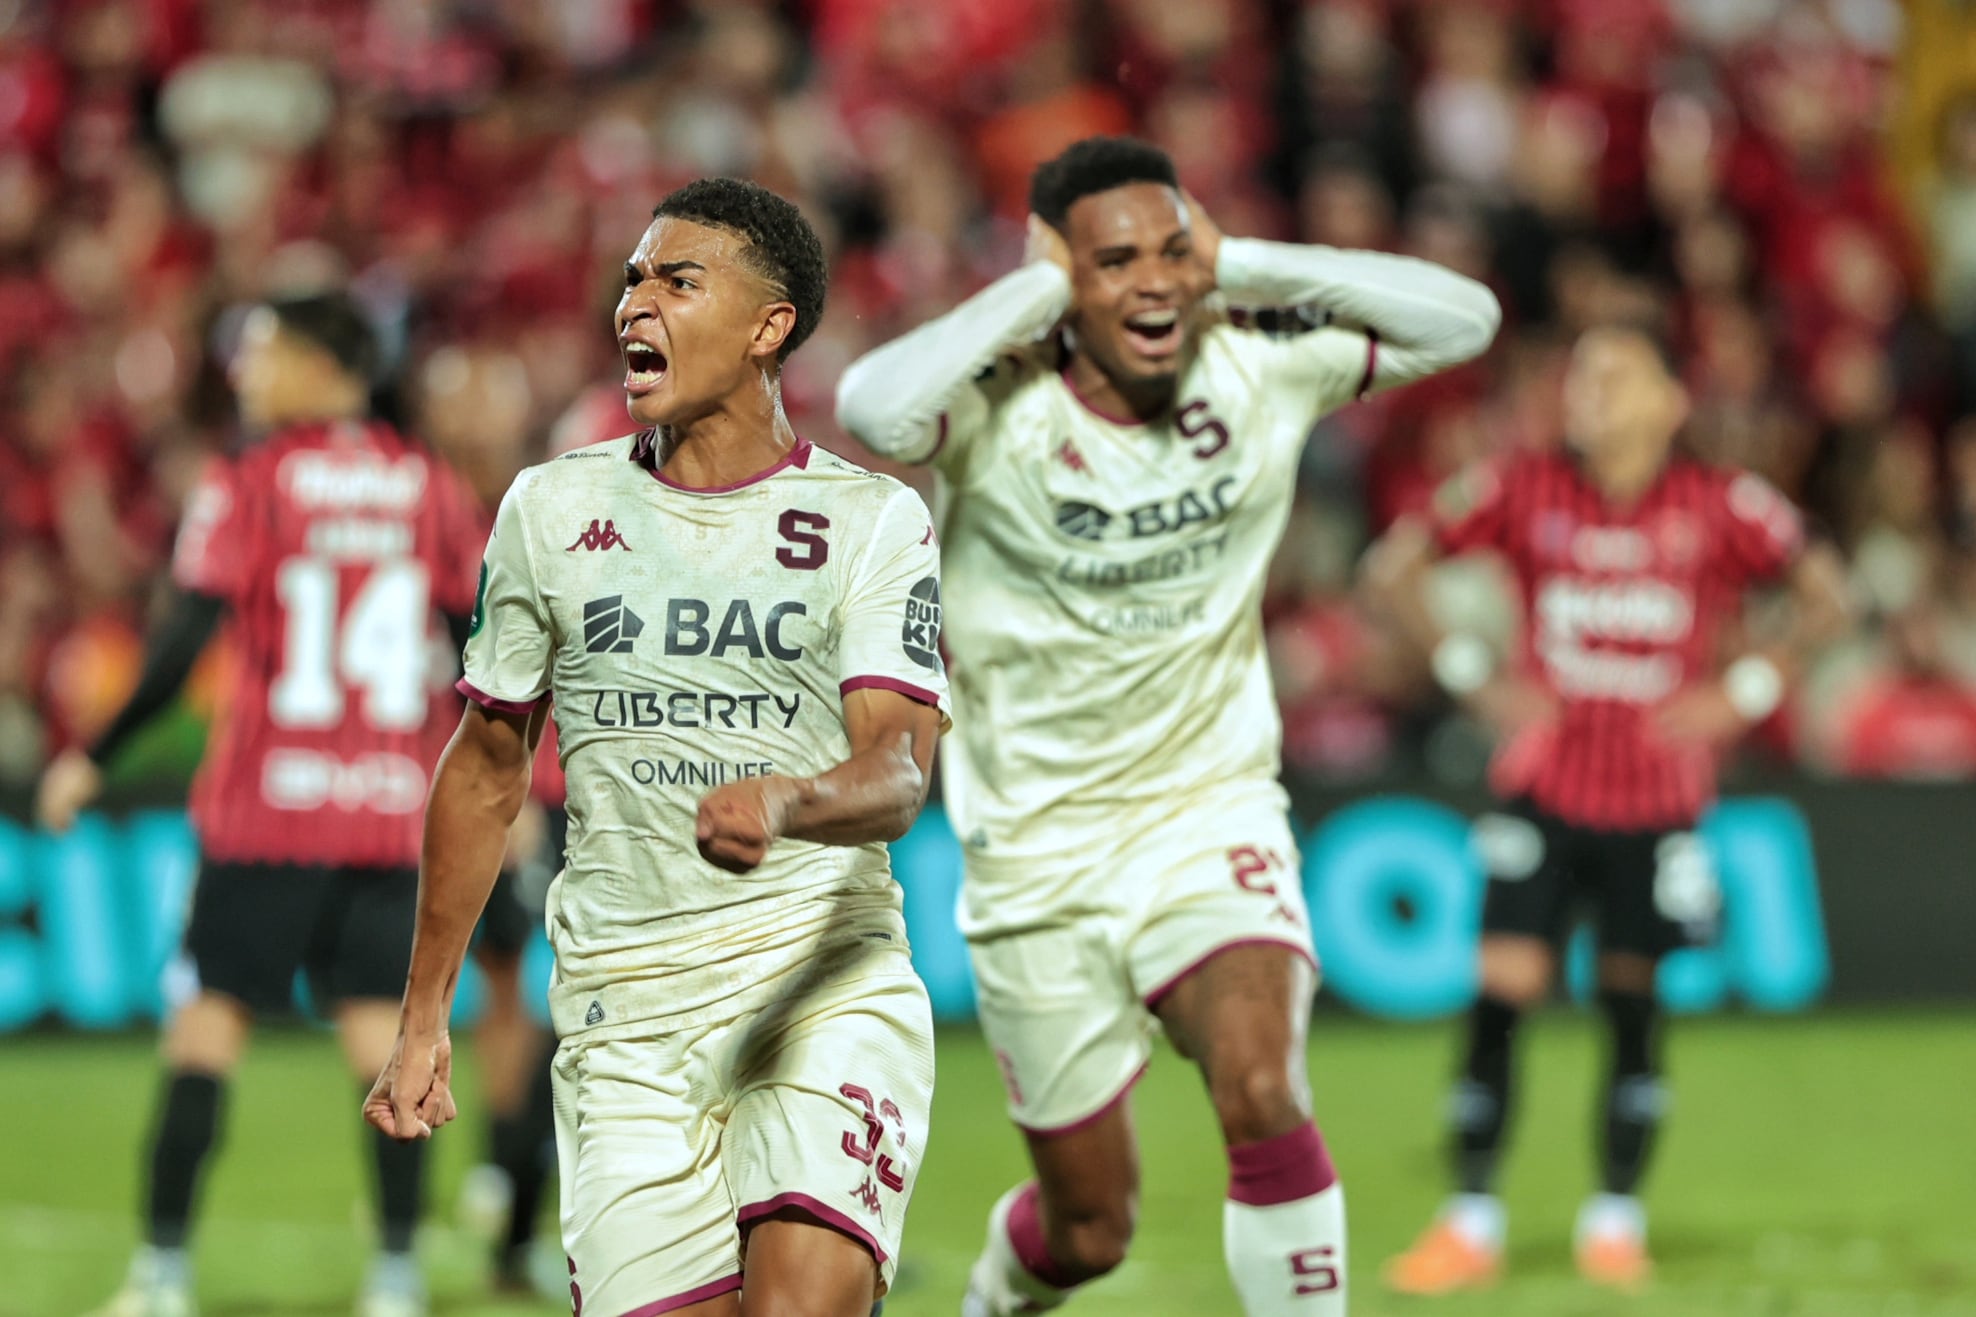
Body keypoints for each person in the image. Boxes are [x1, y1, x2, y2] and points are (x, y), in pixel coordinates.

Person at [835, 135, 1500, 1317]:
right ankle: (994, 1302)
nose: (1151, 280)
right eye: (1113, 261)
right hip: (1033, 854)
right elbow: (872, 408)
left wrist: (1229, 262)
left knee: (1260, 1087)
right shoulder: (997, 409)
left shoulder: (1258, 370)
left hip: (1208, 809)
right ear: (1056, 278)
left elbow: (1465, 319)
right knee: (1089, 1229)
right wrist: (1042, 284)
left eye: (1169, 249)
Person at [362, 177, 948, 1317]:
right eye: (633, 278)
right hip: (621, 1018)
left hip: (817, 985)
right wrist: (425, 1011)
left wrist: (787, 802)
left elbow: (898, 771)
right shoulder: (547, 510)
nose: (636, 303)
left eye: (679, 281)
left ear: (767, 327)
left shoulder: (871, 523)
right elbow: (484, 767)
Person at [1363, 323, 1850, 1293]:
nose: (1588, 392)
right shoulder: (1519, 485)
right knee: (1497, 998)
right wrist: (1470, 672)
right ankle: (1469, 1220)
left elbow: (1825, 595)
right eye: (1579, 375)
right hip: (1538, 790)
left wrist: (1743, 693)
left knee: (1631, 1009)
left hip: (1656, 803)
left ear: (1669, 401)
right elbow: (1392, 567)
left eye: (1614, 377)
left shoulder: (1719, 503)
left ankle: (1613, 1219)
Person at [36, 292, 487, 1317]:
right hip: (385, 813)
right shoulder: (428, 486)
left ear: (330, 367)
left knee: (203, 1035)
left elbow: (183, 640)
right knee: (384, 1046)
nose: (246, 372)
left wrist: (94, 757)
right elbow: (485, 642)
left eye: (266, 354)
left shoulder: (252, 481)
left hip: (264, 819)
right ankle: (398, 1277)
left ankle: (160, 1273)